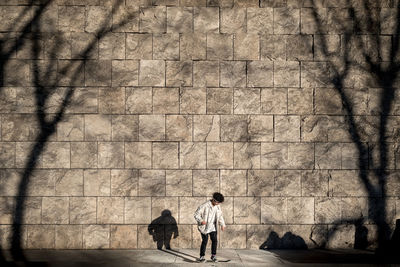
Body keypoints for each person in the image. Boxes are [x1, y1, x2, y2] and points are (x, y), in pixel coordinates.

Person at [193, 192, 226, 262]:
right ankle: (202, 256)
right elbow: (196, 214)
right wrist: (201, 220)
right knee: (205, 241)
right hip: (205, 227)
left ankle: (213, 256)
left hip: (213, 227)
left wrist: (222, 224)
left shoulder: (218, 207)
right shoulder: (205, 205)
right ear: (214, 200)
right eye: (218, 202)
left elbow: (220, 216)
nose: (218, 204)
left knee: (214, 241)